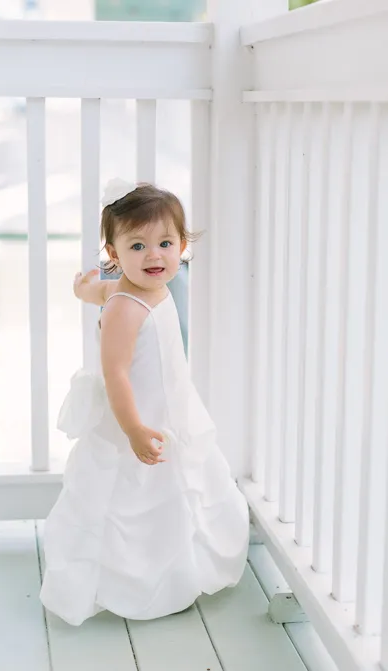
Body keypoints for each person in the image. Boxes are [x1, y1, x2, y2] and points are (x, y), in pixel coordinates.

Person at [39, 179, 248, 624]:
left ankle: (177, 568)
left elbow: (100, 291)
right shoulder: (125, 307)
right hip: (136, 418)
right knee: (131, 499)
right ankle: (132, 581)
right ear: (114, 255)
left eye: (165, 243)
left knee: (176, 493)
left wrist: (82, 289)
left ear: (182, 246)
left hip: (169, 411)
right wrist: (133, 429)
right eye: (137, 246)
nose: (154, 256)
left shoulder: (144, 287)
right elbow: (115, 373)